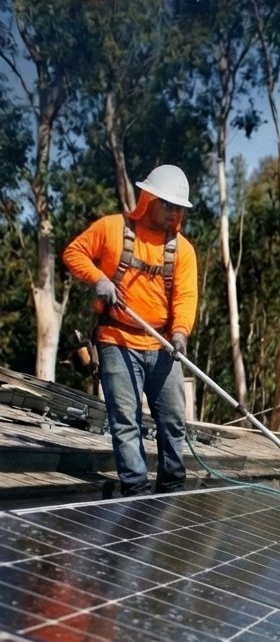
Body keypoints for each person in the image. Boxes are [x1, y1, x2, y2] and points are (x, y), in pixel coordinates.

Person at [63, 165, 198, 496]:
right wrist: (99, 279)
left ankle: (171, 489)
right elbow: (73, 253)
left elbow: (185, 296)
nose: (174, 212)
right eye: (168, 204)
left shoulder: (182, 250)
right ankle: (137, 493)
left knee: (172, 422)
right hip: (117, 340)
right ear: (148, 199)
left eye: (179, 207)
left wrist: (180, 333)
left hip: (163, 345)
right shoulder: (111, 229)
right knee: (126, 420)